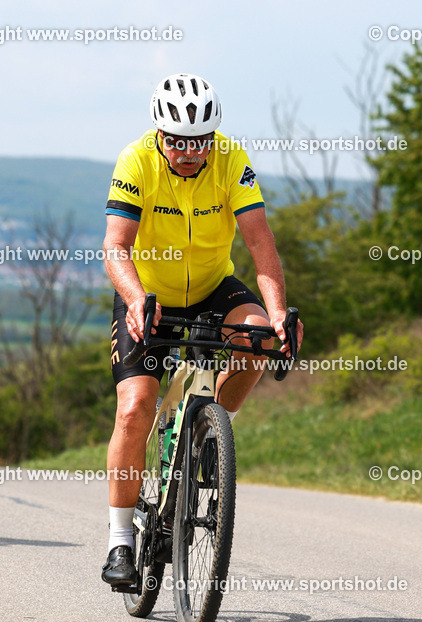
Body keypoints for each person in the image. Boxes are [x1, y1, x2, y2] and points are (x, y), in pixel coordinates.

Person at [101, 73, 304, 586]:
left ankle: (212, 430)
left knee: (257, 338)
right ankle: (120, 539)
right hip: (150, 295)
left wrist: (279, 312)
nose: (190, 153)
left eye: (200, 143)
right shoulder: (137, 161)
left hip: (215, 287)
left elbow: (261, 245)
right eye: (178, 143)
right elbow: (115, 246)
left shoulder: (232, 160)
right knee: (134, 410)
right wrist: (135, 299)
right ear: (160, 135)